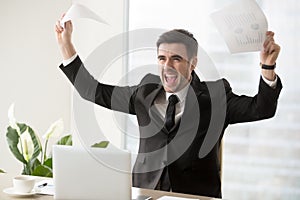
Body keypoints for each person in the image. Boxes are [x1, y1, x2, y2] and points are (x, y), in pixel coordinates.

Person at [55, 19, 282, 198]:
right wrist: (66, 45)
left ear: (193, 63)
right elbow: (93, 91)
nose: (167, 66)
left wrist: (267, 66)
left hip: (194, 196)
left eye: (176, 59)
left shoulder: (215, 96)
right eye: (162, 58)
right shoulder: (145, 92)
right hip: (146, 194)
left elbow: (260, 108)